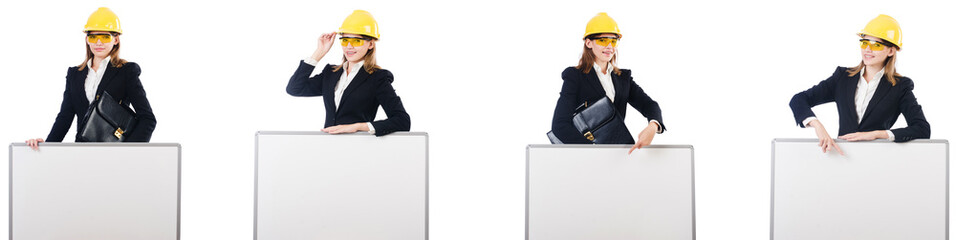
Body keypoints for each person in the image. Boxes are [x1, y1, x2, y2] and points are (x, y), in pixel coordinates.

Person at [789, 14, 930, 155]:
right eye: (864, 42)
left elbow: (922, 129)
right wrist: (817, 125)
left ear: (891, 51)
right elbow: (799, 99)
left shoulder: (900, 87)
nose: (868, 49)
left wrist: (877, 134)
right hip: (842, 157)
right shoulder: (842, 78)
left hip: (877, 159)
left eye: (876, 45)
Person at [26, 7, 157, 150]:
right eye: (93, 37)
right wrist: (46, 147)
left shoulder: (126, 71)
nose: (98, 43)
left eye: (105, 37)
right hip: (83, 153)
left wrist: (127, 152)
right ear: (87, 40)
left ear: (116, 39)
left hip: (114, 153)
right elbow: (65, 117)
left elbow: (147, 119)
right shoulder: (75, 74)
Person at [551, 12, 665, 154]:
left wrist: (653, 125)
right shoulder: (575, 76)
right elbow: (559, 125)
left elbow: (649, 104)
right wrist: (593, 150)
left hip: (618, 155)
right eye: (603, 40)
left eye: (614, 40)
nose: (610, 46)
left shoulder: (623, 78)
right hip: (584, 157)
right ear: (588, 42)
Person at [287, 10, 410, 136]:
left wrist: (357, 127)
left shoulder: (377, 78)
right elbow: (294, 88)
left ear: (371, 44)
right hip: (327, 147)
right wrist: (320, 52)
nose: (349, 46)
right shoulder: (330, 73)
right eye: (345, 40)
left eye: (356, 41)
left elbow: (402, 121)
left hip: (357, 148)